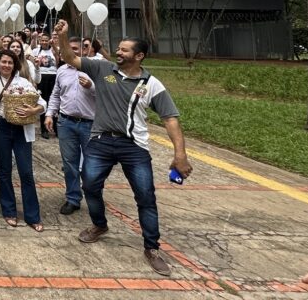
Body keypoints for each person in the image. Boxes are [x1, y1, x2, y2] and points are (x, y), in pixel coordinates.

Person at [54, 19, 193, 277]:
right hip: (100, 141)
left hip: (134, 146)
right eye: (118, 48)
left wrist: (180, 155)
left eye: (125, 50)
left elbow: (170, 119)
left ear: (139, 56)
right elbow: (70, 59)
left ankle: (151, 247)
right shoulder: (103, 69)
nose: (118, 52)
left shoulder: (152, 84)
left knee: (145, 196)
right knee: (90, 185)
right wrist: (63, 37)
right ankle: (99, 225)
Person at [0, 49, 45, 231]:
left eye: (10, 62)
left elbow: (42, 103)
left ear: (15, 64)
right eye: (3, 62)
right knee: (4, 171)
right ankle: (9, 211)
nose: (6, 65)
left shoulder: (23, 82)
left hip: (21, 129)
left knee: (26, 172)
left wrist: (33, 111)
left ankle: (32, 215)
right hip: (1, 127)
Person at [46, 37, 96, 215]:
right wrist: (50, 113)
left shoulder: (94, 69)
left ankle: (94, 196)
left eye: (76, 49)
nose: (72, 52)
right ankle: (73, 198)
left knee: (92, 164)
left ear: (84, 50)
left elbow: (106, 95)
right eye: (69, 48)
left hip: (90, 124)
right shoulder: (61, 71)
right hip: (66, 122)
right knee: (70, 163)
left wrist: (91, 86)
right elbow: (56, 94)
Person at [32, 33, 58, 139]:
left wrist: (54, 45)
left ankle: (56, 128)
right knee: (44, 102)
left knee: (55, 102)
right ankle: (44, 129)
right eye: (42, 40)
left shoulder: (53, 50)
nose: (44, 42)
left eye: (46, 40)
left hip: (54, 76)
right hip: (42, 78)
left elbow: (58, 56)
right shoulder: (36, 51)